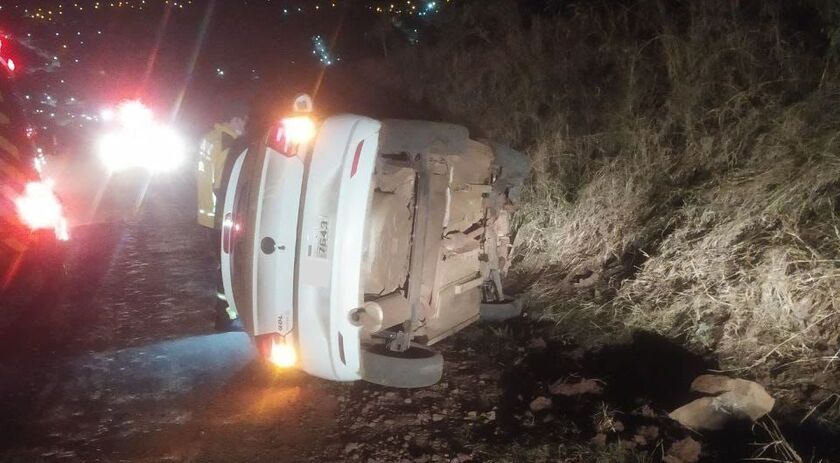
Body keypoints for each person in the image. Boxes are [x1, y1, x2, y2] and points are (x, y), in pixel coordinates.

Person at [196, 116, 246, 331]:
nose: (244, 126)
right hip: (220, 217)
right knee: (228, 267)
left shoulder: (210, 137)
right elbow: (222, 185)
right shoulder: (228, 142)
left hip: (208, 214)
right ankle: (226, 316)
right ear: (234, 120)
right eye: (242, 121)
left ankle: (224, 313)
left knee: (222, 265)